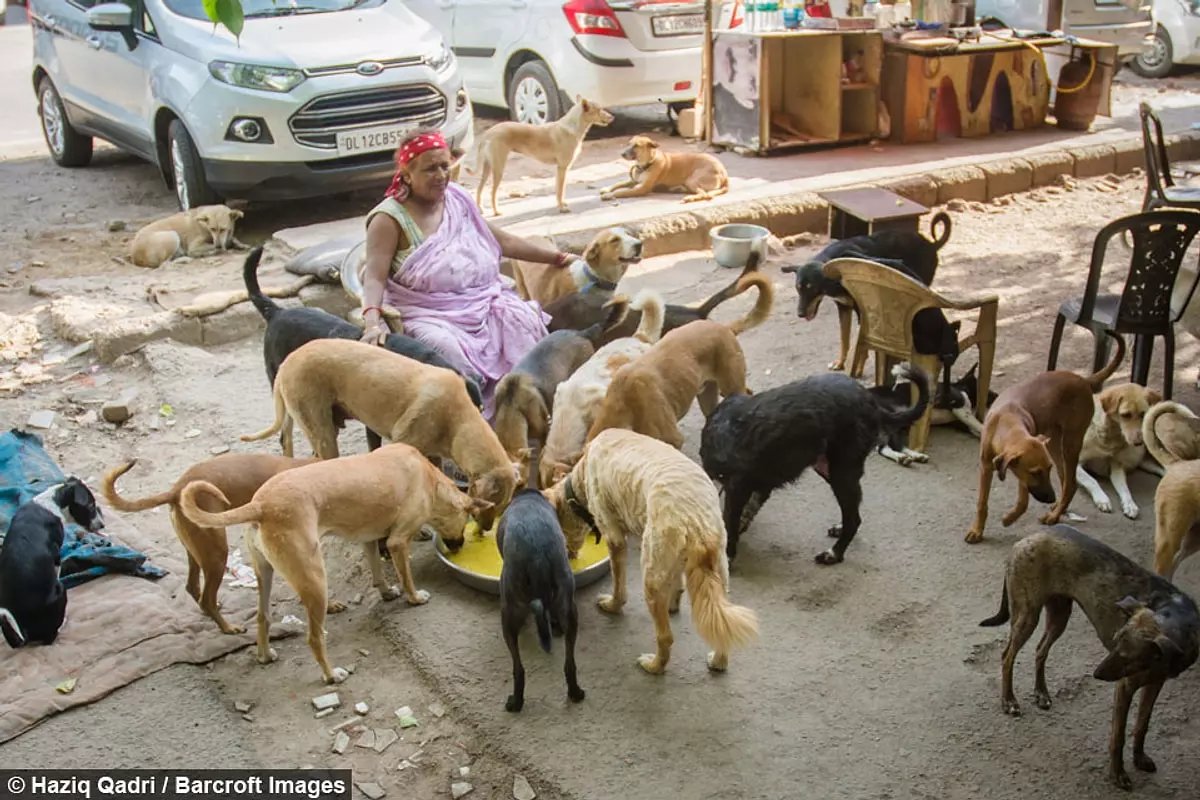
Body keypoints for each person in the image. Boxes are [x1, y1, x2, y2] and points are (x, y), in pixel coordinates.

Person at [358, 130, 574, 418]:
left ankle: (524, 413)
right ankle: (473, 424)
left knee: (521, 321)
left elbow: (502, 241)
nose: (441, 175)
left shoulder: (457, 200)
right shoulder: (388, 219)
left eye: (445, 166)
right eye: (430, 168)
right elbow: (374, 277)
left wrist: (557, 257)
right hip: (427, 313)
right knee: (448, 351)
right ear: (407, 174)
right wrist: (372, 322)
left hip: (483, 300)